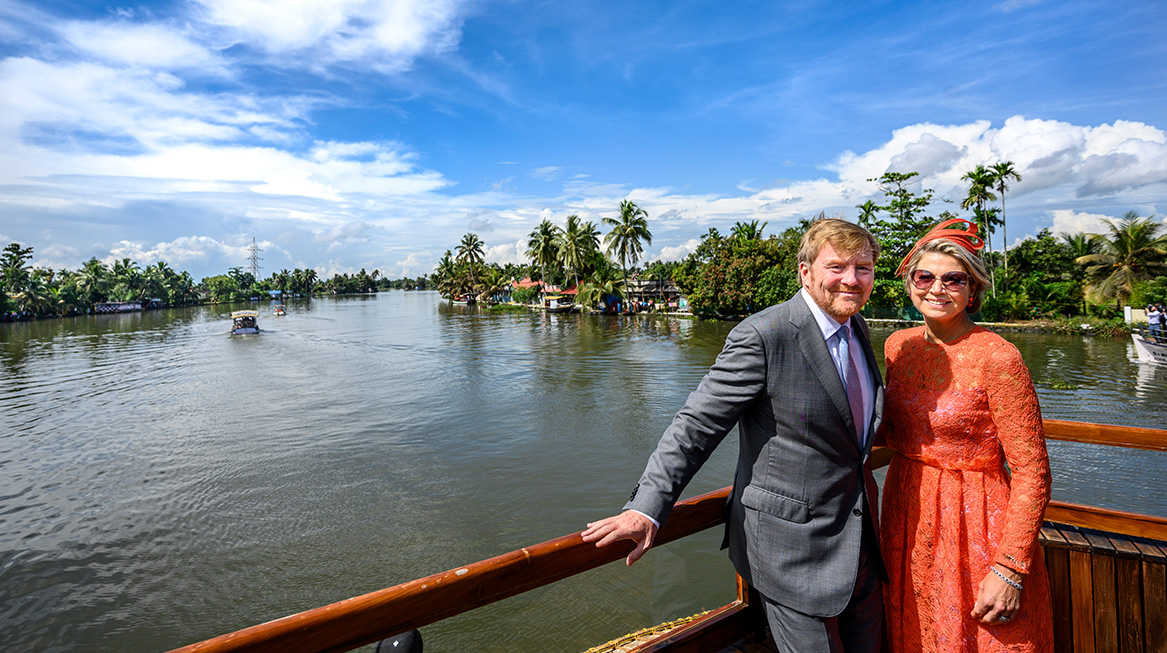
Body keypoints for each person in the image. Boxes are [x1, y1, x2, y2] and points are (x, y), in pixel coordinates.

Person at [583, 218, 886, 653]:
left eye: (863, 268)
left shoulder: (857, 327)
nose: (852, 280)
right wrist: (646, 509)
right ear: (806, 271)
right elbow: (695, 426)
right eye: (837, 267)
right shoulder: (765, 335)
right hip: (793, 550)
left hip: (860, 543)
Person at [877, 219, 1054, 652]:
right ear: (910, 283)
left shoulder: (998, 357)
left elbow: (1033, 472)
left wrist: (1011, 567)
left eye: (953, 278)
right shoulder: (897, 346)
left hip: (977, 516)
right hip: (907, 507)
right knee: (917, 627)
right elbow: (886, 430)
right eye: (925, 276)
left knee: (989, 635)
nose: (937, 288)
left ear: (971, 289)